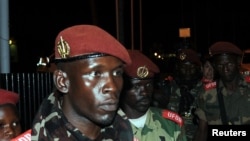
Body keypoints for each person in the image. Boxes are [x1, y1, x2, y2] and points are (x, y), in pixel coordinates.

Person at [31, 25, 134, 140]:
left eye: (117, 73)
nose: (113, 87)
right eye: (96, 74)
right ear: (62, 82)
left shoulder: (128, 135)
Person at [118, 49, 187, 141]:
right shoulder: (108, 130)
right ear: (121, 87)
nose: (145, 92)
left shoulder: (171, 124)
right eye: (136, 86)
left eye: (148, 85)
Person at [194, 41, 250, 139]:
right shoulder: (206, 94)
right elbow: (202, 131)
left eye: (229, 64)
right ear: (215, 66)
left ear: (237, 62)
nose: (225, 69)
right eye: (220, 65)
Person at [166, 48, 203, 141]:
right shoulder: (167, 89)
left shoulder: (206, 92)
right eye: (184, 67)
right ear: (178, 69)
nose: (187, 71)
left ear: (197, 69)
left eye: (191, 67)